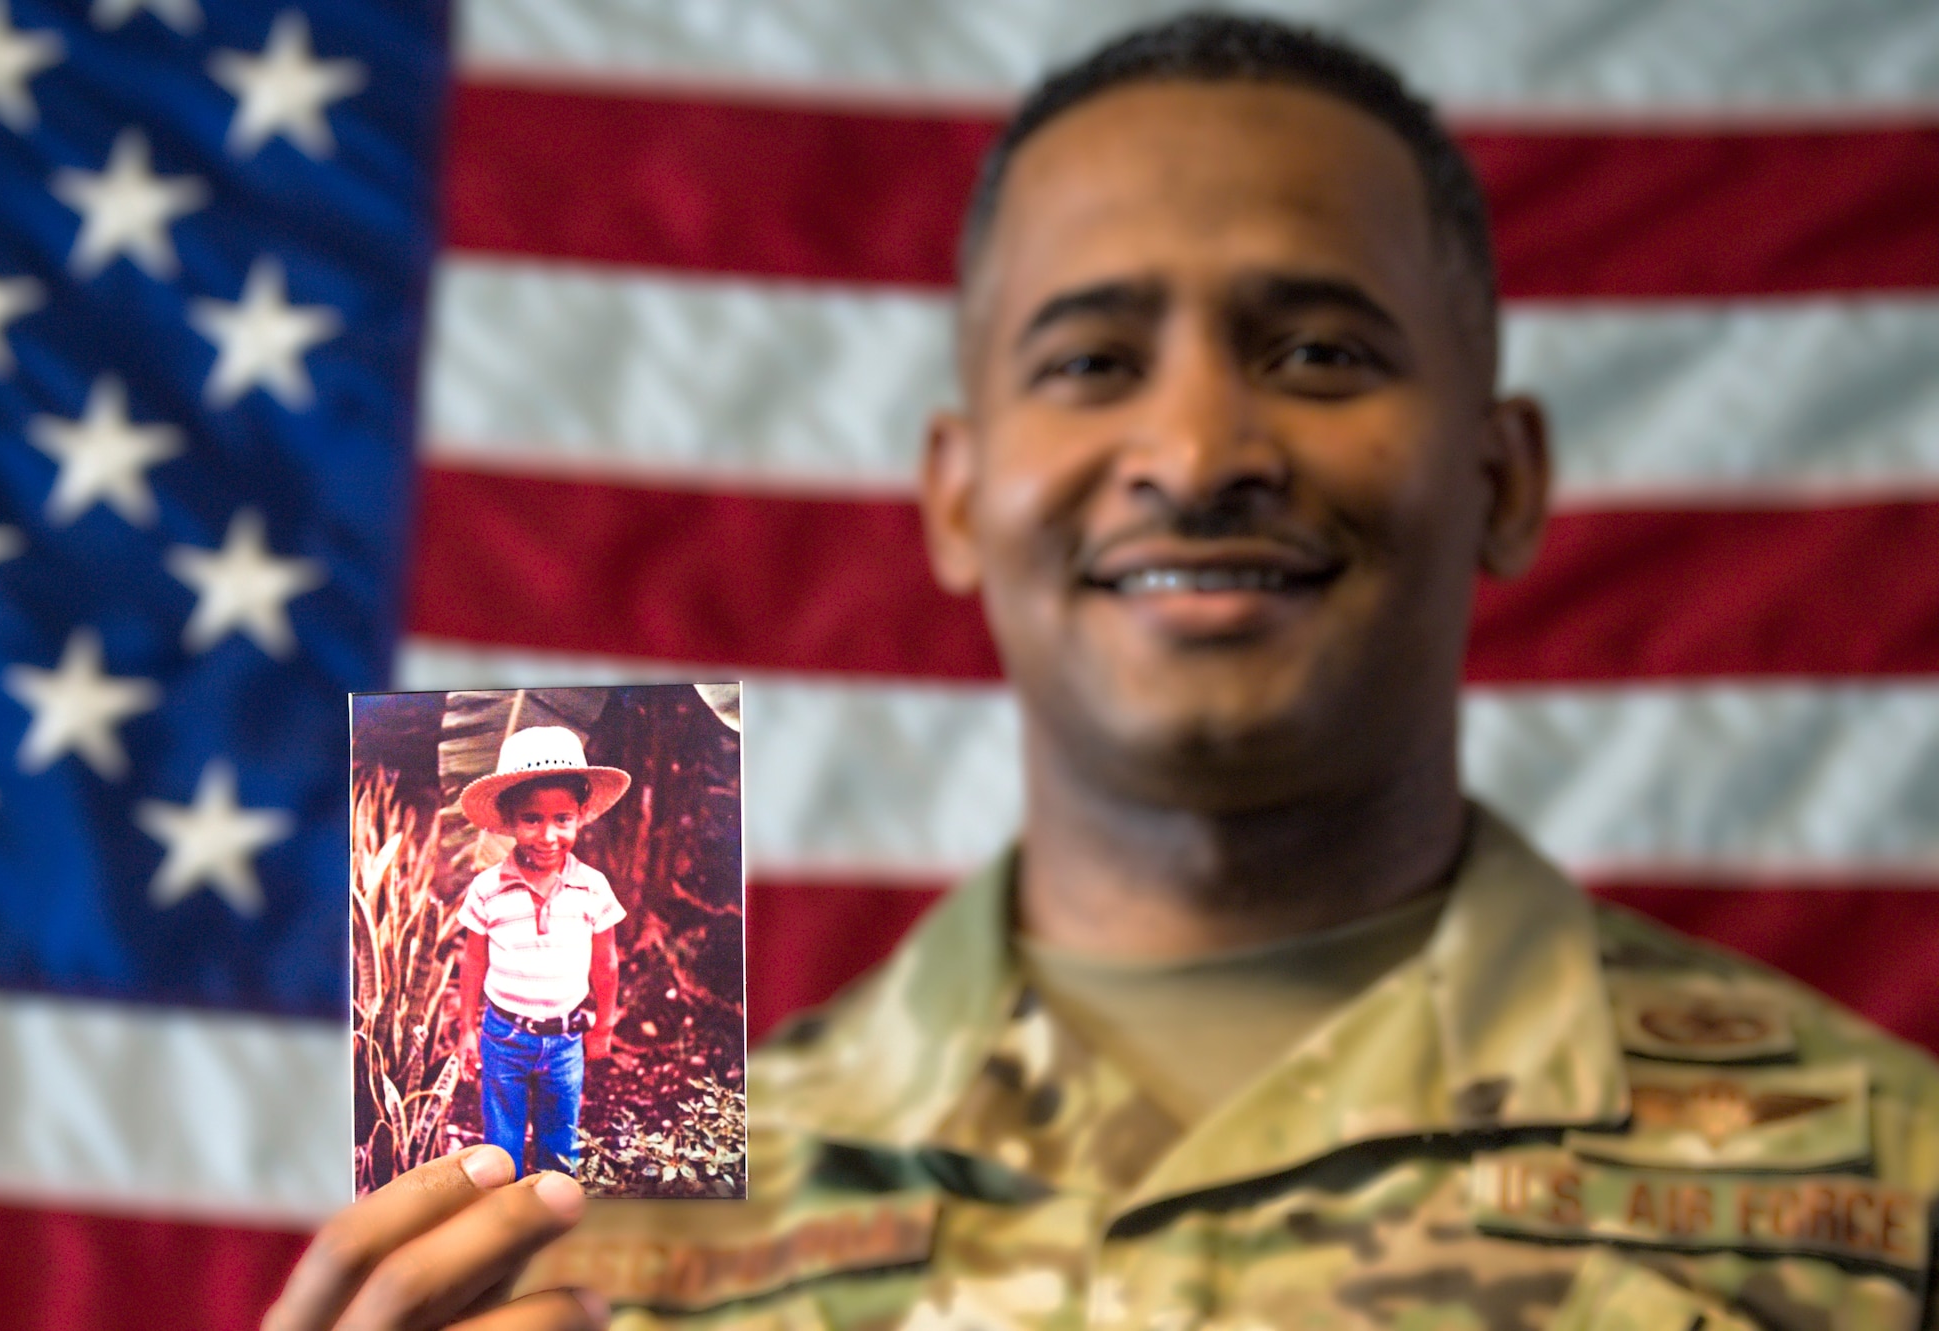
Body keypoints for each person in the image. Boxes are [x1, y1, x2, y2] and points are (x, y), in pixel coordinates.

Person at [265, 14, 1939, 1331]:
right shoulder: (600, 1247)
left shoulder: (1888, 1179)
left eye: (1320, 352)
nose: (1200, 448)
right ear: (955, 494)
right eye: (1093, 360)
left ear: (1502, 478)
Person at [455, 725, 632, 1176]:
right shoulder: (487, 889)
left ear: (580, 816)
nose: (548, 835)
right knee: (502, 1143)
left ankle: (553, 1221)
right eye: (532, 819)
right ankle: (504, 1223)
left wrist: (603, 1026)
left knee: (559, 1144)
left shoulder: (592, 887)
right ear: (510, 820)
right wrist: (467, 1030)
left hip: (566, 1038)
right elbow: (474, 960)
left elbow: (606, 963)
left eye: (562, 819)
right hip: (503, 1036)